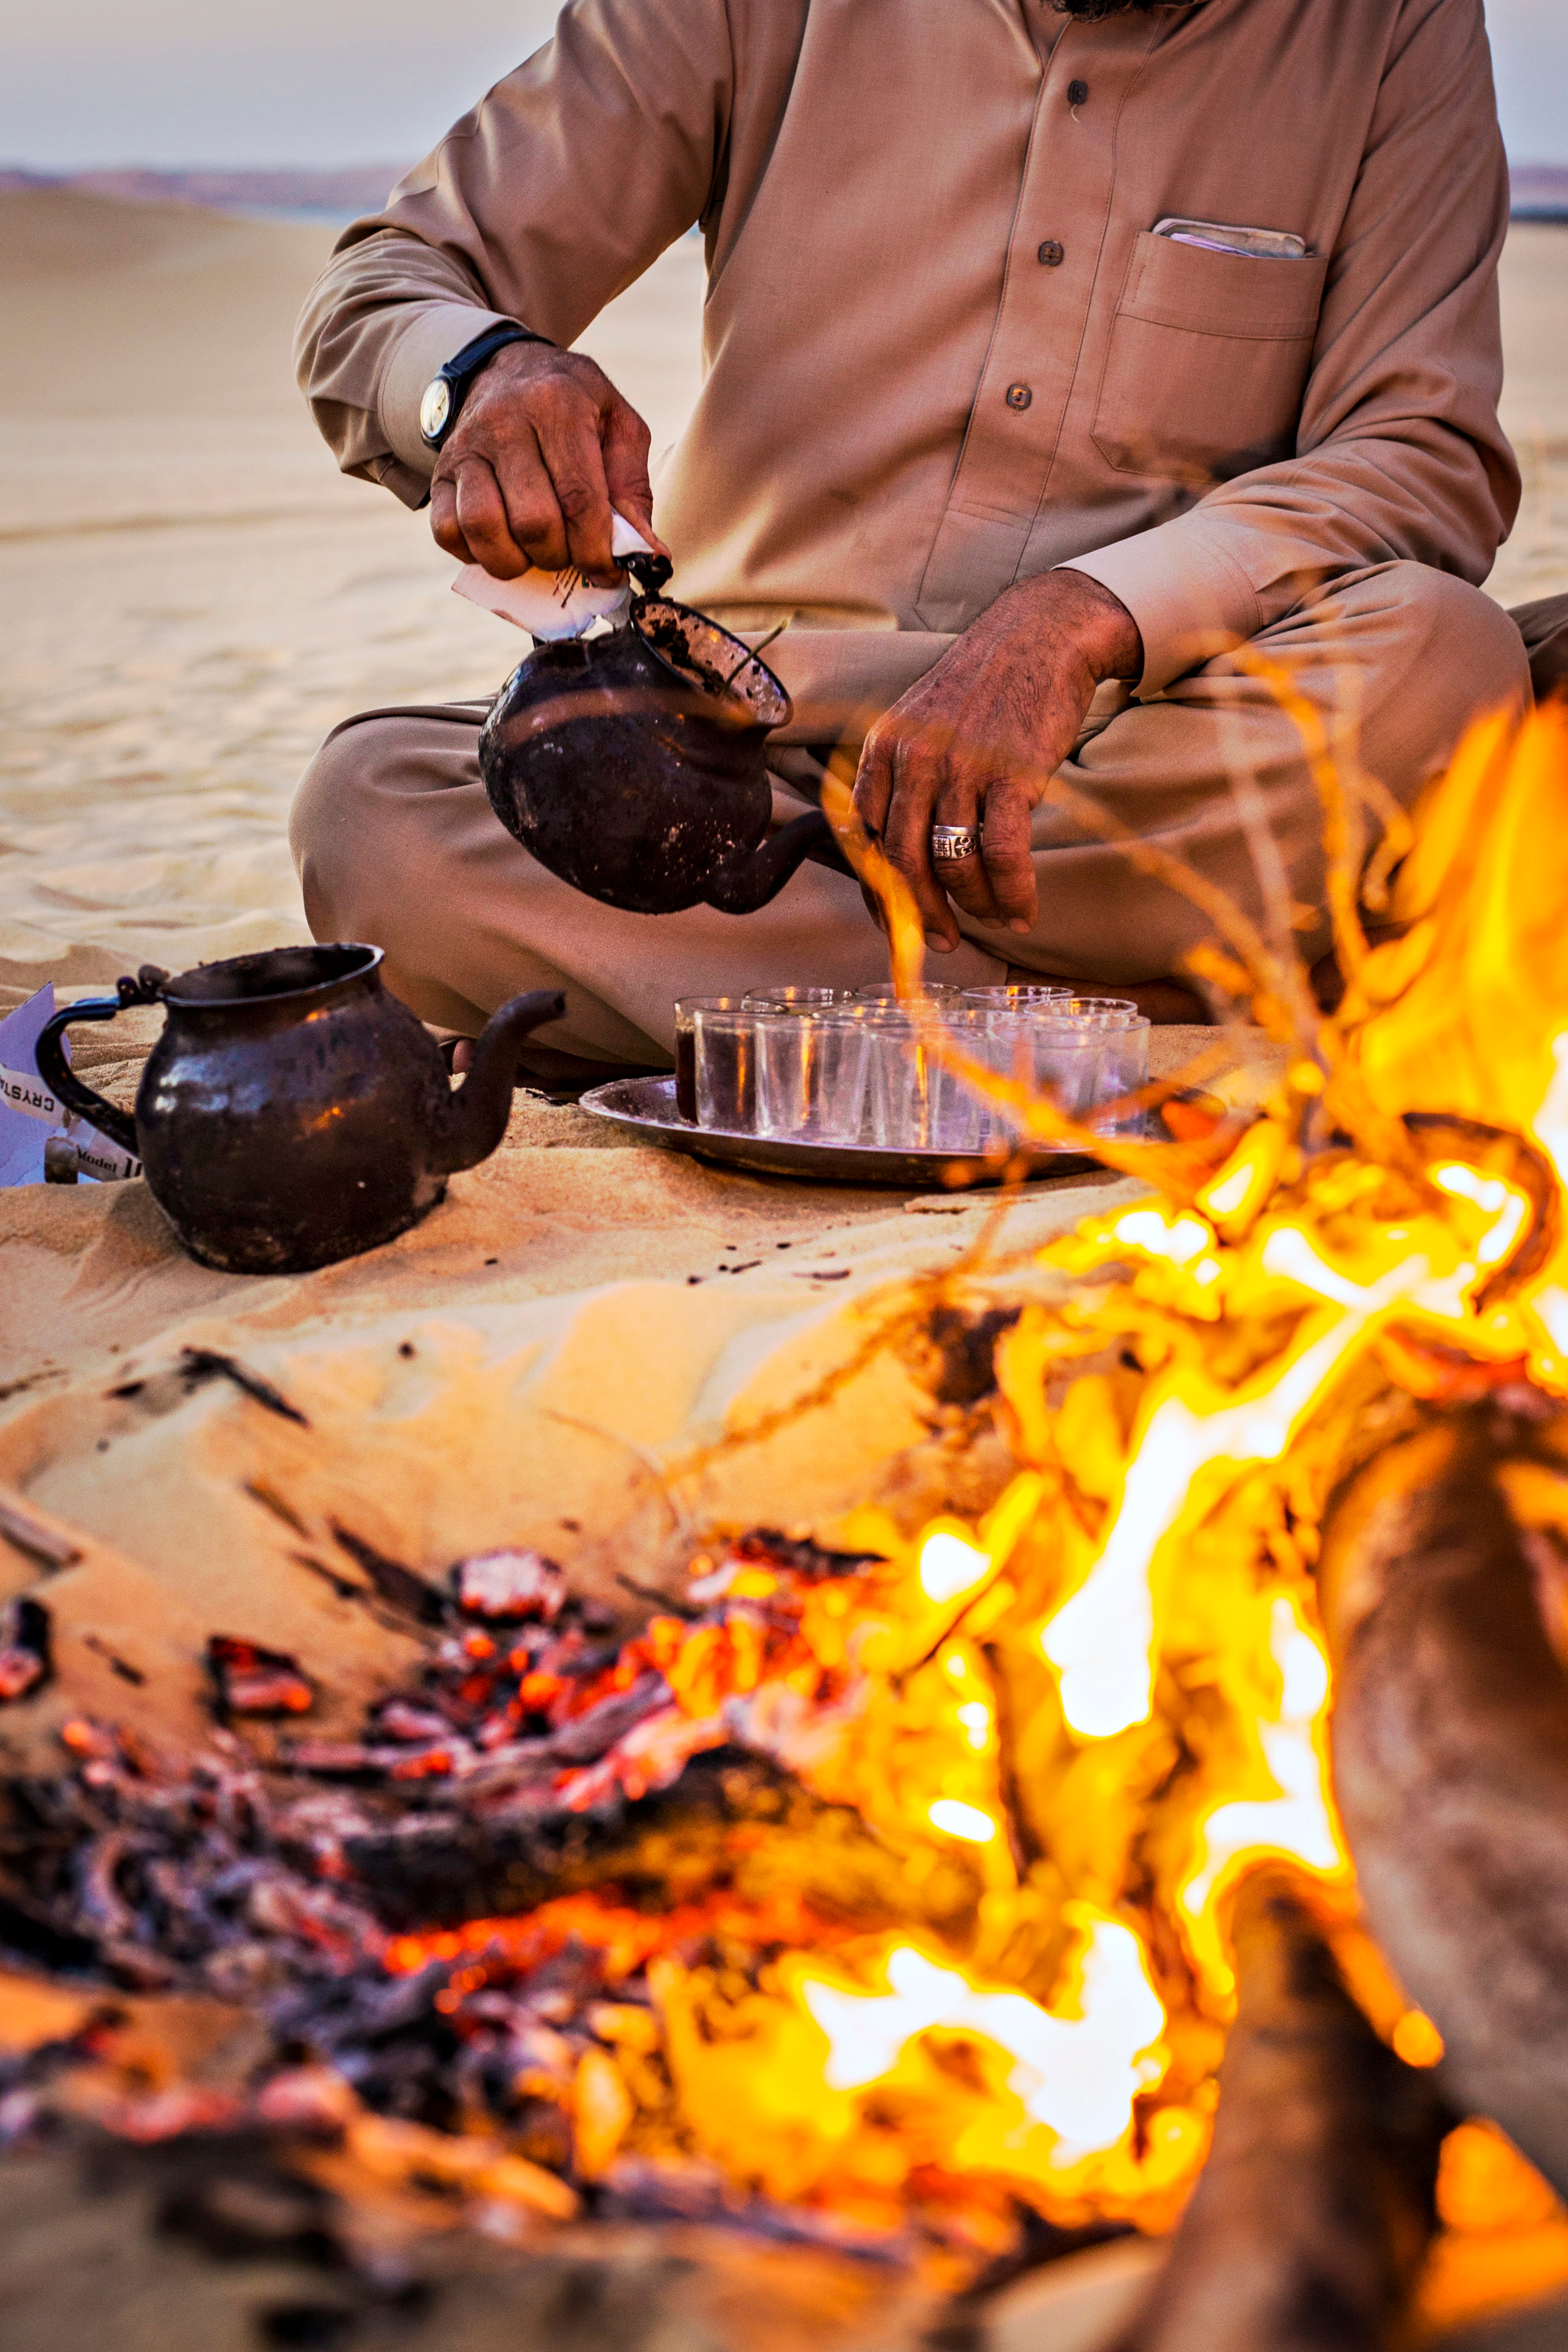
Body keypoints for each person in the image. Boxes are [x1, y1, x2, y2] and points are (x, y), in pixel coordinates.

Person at [292, 0, 1561, 1074]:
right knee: (372, 814)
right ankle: (1142, 1005)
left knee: (1443, 658)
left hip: (1130, 742)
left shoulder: (1392, 25)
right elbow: (392, 282)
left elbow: (1419, 455)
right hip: (741, 767)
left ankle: (767, 1006)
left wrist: (1086, 616)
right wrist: (482, 375)